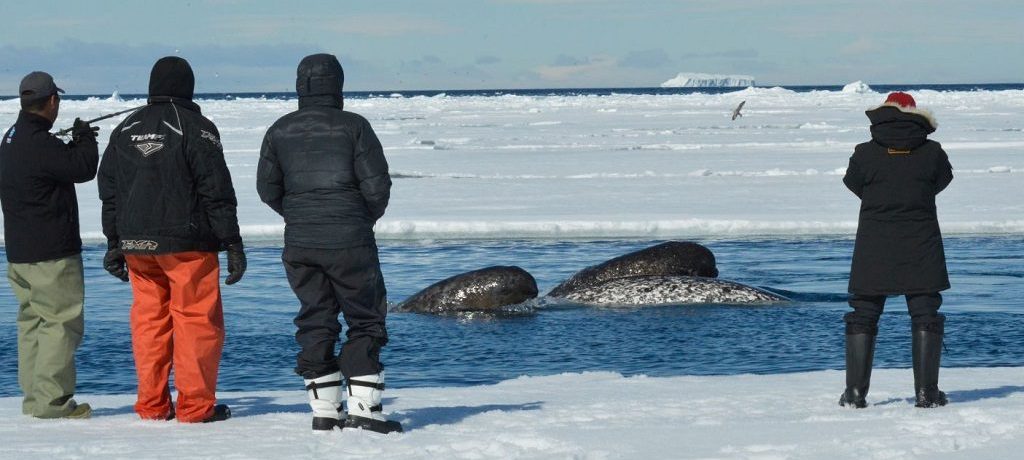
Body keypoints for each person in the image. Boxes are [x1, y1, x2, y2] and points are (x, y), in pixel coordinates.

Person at [97, 56, 246, 423]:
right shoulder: (197, 127)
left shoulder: (125, 128)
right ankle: (194, 408)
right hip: (187, 246)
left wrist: (115, 242)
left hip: (138, 247)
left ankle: (152, 405)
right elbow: (217, 191)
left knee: (150, 323)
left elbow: (109, 192)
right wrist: (232, 242)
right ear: (187, 88)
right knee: (196, 320)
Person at [257, 53, 400, 433]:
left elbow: (267, 189)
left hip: (301, 242)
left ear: (299, 85)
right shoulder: (355, 126)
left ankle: (324, 411)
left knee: (315, 318)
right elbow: (377, 186)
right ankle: (365, 412)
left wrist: (300, 215)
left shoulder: (279, 129)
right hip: (350, 238)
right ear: (338, 85)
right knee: (366, 319)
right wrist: (360, 218)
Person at [840, 92, 953, 409]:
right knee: (925, 312)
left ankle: (854, 394)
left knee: (863, 312)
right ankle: (926, 394)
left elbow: (854, 185)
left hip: (874, 243)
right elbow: (941, 181)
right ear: (915, 114)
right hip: (921, 241)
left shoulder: (864, 153)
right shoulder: (932, 152)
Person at [0, 71, 98, 419]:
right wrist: (85, 139)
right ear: (52, 101)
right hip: (51, 254)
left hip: (20, 254)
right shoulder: (41, 144)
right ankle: (53, 403)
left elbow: (54, 165)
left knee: (33, 322)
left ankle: (36, 399)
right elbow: (83, 168)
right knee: (60, 323)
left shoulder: (12, 138)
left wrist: (71, 143)